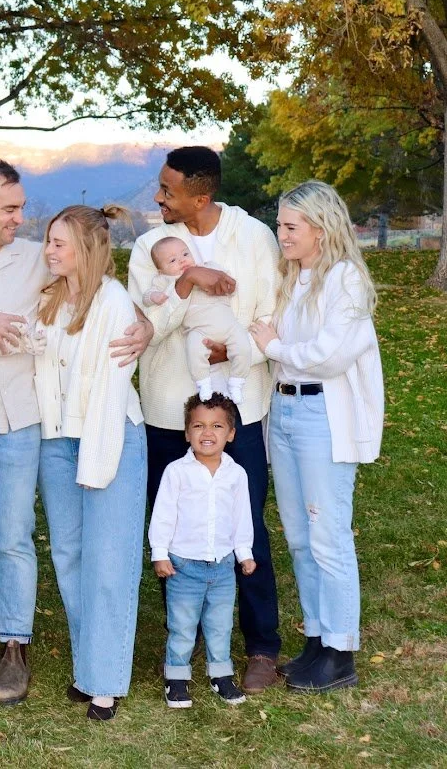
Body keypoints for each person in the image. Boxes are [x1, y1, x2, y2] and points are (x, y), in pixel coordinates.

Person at [0, 159, 150, 706]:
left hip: (26, 422)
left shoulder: (35, 260)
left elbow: (95, 285)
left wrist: (145, 325)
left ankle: (16, 648)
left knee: (15, 538)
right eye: (10, 208)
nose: (21, 218)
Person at [128, 145, 284, 694]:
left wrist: (236, 354)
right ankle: (185, 647)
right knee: (175, 527)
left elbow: (271, 315)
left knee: (247, 527)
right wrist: (187, 282)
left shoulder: (255, 239)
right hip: (172, 410)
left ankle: (262, 646)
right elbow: (148, 323)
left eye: (167, 190)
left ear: (201, 196)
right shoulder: (150, 245)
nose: (158, 197)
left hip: (241, 406)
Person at [248, 180, 383, 693]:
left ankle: (340, 651)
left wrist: (275, 344)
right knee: (300, 537)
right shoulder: (293, 278)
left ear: (321, 228)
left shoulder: (344, 279)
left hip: (322, 415)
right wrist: (269, 346)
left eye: (290, 226)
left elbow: (329, 356)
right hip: (282, 410)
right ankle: (316, 637)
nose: (281, 234)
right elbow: (268, 340)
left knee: (328, 534)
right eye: (280, 224)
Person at [33, 205, 147, 721]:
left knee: (109, 561)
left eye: (59, 242)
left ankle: (105, 680)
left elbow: (108, 391)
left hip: (108, 439)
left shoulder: (116, 302)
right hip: (58, 441)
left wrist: (94, 462)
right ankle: (89, 665)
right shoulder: (50, 300)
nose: (50, 250)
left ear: (88, 247)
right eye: (49, 241)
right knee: (70, 556)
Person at [149, 394, 255, 710]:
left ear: (231, 434)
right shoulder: (176, 472)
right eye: (198, 425)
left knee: (220, 624)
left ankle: (221, 675)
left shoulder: (236, 475)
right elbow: (163, 513)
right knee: (182, 625)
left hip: (222, 567)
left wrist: (244, 553)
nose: (207, 433)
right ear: (187, 432)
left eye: (217, 426)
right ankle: (177, 679)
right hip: (184, 566)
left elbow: (241, 516)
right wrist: (160, 552)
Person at [143, 235, 250, 404]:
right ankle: (203, 383)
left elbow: (231, 285)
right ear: (161, 271)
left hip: (229, 326)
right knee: (194, 350)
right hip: (199, 330)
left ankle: (237, 381)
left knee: (243, 346)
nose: (182, 261)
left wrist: (229, 286)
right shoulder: (164, 280)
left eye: (185, 254)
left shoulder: (209, 268)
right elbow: (147, 296)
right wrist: (155, 296)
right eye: (172, 260)